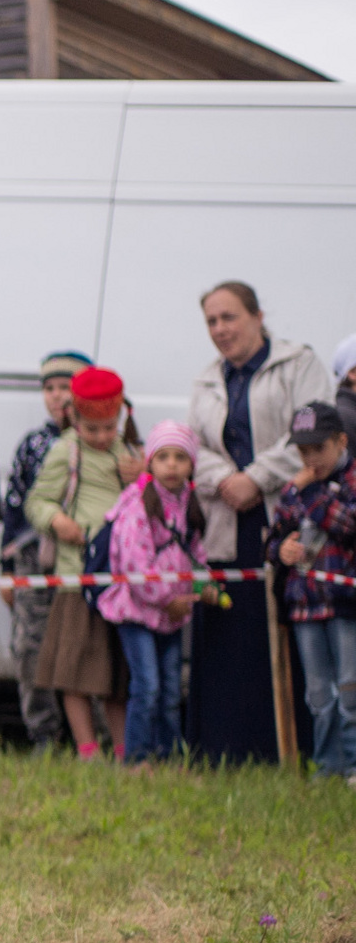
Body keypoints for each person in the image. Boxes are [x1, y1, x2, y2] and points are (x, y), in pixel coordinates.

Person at [185, 282, 329, 765]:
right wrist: (226, 478)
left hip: (285, 520)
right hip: (227, 524)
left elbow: (312, 435)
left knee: (289, 636)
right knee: (232, 638)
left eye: (229, 317)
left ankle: (295, 748)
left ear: (257, 315)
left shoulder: (297, 364)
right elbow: (191, 446)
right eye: (211, 321)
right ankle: (229, 749)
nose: (221, 330)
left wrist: (255, 478)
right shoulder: (206, 380)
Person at [23, 366, 142, 761]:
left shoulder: (128, 454)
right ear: (75, 417)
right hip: (77, 579)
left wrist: (142, 477)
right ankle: (87, 749)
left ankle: (124, 751)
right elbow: (37, 501)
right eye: (92, 429)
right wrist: (58, 522)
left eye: (108, 428)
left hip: (119, 580)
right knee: (72, 672)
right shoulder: (66, 451)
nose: (101, 437)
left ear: (120, 418)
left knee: (114, 676)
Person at [96, 423, 208, 766]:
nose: (171, 465)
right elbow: (135, 566)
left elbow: (196, 557)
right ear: (150, 463)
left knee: (172, 691)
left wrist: (201, 589)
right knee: (147, 688)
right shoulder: (137, 508)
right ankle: (137, 758)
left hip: (172, 617)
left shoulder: (189, 505)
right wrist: (168, 599)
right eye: (163, 457)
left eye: (180, 457)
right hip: (137, 613)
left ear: (191, 464)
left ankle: (169, 757)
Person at [0, 352, 92, 752]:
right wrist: (6, 568)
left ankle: (96, 737)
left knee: (89, 646)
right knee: (31, 647)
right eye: (49, 389)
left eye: (65, 388)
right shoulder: (33, 445)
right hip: (35, 557)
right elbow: (14, 505)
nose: (57, 397)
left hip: (89, 558)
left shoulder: (102, 440)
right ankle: (44, 733)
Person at [270, 401, 356, 779]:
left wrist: (306, 492)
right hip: (305, 604)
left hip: (345, 605)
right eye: (303, 452)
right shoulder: (295, 490)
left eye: (318, 449)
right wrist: (281, 551)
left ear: (341, 441)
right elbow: (273, 538)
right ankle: (328, 767)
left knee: (351, 691)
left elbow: (347, 523)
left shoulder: (344, 481)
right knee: (319, 695)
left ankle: (354, 766)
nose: (310, 459)